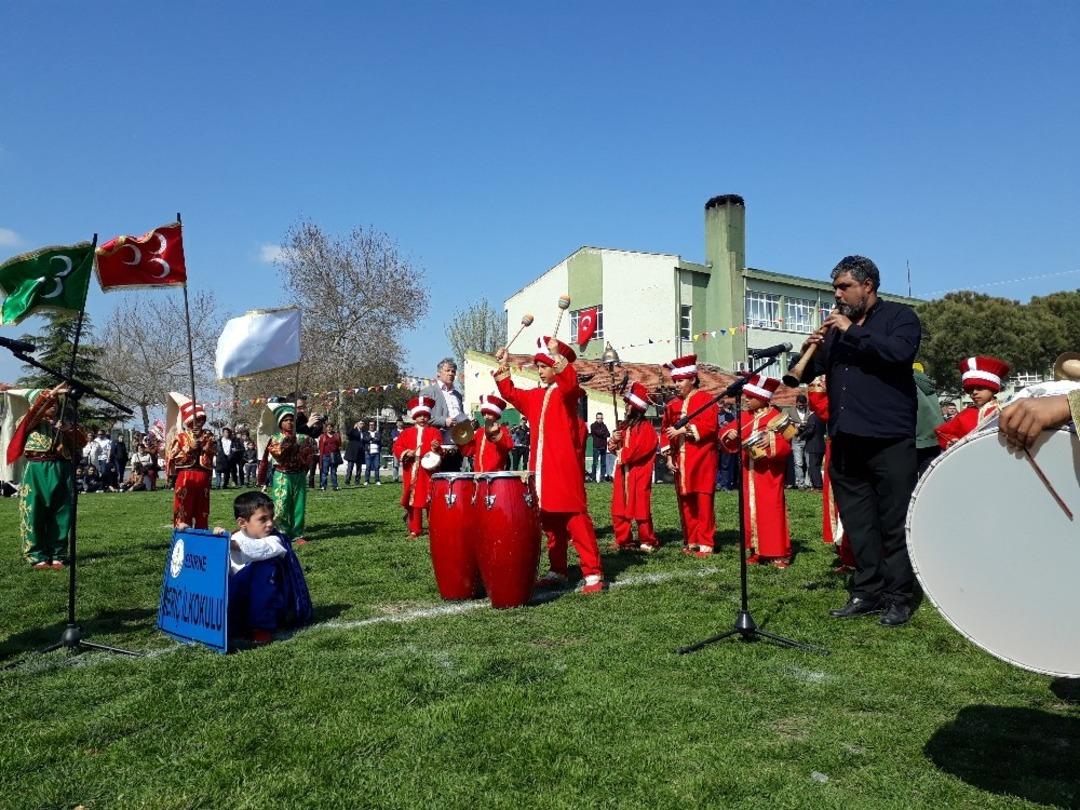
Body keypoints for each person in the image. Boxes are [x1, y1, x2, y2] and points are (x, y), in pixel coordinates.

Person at [795, 255, 921, 627]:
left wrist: (851, 330)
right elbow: (812, 371)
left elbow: (899, 353)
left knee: (895, 520)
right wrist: (808, 351)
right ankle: (867, 591)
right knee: (859, 522)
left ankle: (900, 595)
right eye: (835, 287)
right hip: (846, 437)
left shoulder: (900, 317)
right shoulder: (835, 330)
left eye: (844, 286)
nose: (838, 294)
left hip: (889, 437)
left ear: (868, 286)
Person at [495, 337, 605, 593]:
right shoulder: (536, 396)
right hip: (541, 470)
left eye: (544, 366)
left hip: (562, 468)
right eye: (539, 366)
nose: (540, 370)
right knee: (550, 522)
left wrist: (556, 355)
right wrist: (503, 365)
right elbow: (510, 392)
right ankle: (558, 569)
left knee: (575, 519)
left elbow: (569, 383)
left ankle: (593, 574)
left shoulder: (568, 395)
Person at [213, 490, 313, 646]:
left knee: (263, 568)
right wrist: (191, 534)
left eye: (271, 517)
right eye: (263, 519)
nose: (270, 523)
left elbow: (260, 549)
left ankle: (262, 628)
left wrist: (229, 544)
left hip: (270, 603)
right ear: (242, 523)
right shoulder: (234, 537)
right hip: (238, 598)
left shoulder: (275, 540)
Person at [5, 385, 87, 569]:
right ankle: (36, 555)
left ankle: (58, 553)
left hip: (61, 468)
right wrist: (50, 395)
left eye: (56, 403)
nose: (54, 406)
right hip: (36, 469)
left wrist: (66, 429)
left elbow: (82, 441)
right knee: (34, 511)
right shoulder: (27, 420)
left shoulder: (63, 422)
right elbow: (33, 415)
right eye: (51, 403)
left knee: (62, 511)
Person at [719, 374, 793, 567]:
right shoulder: (744, 417)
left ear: (762, 398)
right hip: (748, 473)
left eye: (750, 396)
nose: (745, 399)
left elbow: (790, 441)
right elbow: (724, 433)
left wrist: (772, 441)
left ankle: (778, 552)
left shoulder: (778, 417)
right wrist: (730, 434)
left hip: (769, 474)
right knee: (751, 510)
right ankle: (757, 549)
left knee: (772, 511)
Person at [660, 354, 719, 558]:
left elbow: (710, 426)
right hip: (680, 461)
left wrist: (684, 430)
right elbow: (665, 431)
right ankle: (691, 539)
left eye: (680, 381)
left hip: (702, 459)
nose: (677, 385)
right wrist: (668, 457)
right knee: (685, 502)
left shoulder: (706, 399)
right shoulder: (672, 405)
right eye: (675, 381)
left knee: (703, 501)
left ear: (692, 379)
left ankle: (706, 542)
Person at [806, 377, 856, 573]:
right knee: (840, 505)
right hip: (840, 445)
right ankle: (848, 554)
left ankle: (855, 556)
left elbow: (825, 408)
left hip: (852, 448)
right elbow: (824, 409)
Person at [609, 381, 659, 552]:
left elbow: (637, 451)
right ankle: (624, 539)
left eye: (628, 405)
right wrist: (614, 440)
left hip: (638, 474)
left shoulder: (647, 429)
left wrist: (621, 452)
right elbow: (613, 448)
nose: (625, 408)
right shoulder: (623, 426)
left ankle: (647, 539)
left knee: (640, 507)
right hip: (622, 473)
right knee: (619, 507)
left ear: (636, 407)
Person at [261, 403, 315, 542]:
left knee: (299, 505)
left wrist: (302, 454)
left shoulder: (303, 437)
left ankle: (297, 534)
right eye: (286, 420)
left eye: (291, 419)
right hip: (282, 476)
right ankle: (282, 532)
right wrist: (289, 444)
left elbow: (309, 455)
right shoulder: (275, 438)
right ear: (280, 422)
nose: (289, 422)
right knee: (281, 504)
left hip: (299, 476)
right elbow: (278, 454)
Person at [392, 396, 443, 538]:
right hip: (412, 469)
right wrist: (406, 452)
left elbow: (439, 449)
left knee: (429, 498)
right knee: (413, 500)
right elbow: (397, 447)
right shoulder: (407, 433)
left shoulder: (434, 431)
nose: (422, 418)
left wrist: (436, 448)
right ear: (415, 416)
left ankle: (433, 527)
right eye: (419, 415)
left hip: (428, 470)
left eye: (425, 415)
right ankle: (415, 529)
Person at [935, 355, 1010, 450]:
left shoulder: (1006, 410)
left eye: (980, 388)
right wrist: (952, 441)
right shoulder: (965, 414)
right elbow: (942, 432)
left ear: (993, 389)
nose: (974, 392)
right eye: (970, 389)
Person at [166, 400, 216, 529]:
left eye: (201, 419)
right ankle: (182, 537)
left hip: (203, 476)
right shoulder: (180, 437)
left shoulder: (209, 436)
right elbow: (174, 457)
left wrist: (204, 447)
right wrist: (189, 448)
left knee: (202, 511)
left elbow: (213, 452)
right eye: (196, 420)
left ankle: (201, 536)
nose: (199, 422)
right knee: (183, 508)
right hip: (185, 476)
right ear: (188, 421)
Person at [420, 358, 467, 473]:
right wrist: (444, 421)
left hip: (456, 447)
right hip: (437, 447)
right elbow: (422, 420)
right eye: (448, 370)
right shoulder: (428, 392)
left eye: (453, 371)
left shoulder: (458, 395)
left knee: (454, 484)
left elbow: (460, 415)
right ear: (438, 373)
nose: (451, 374)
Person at [461, 395, 513, 473]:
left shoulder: (502, 430)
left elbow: (508, 445)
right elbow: (469, 451)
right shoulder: (480, 431)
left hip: (494, 475)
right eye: (484, 414)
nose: (486, 417)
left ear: (496, 415)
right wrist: (462, 439)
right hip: (479, 474)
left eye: (489, 414)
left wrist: (497, 434)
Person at [913, 362, 945, 475]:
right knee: (928, 483)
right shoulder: (924, 382)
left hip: (913, 441)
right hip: (933, 439)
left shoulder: (901, 378)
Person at [786, 394, 812, 489]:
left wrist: (806, 424)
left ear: (806, 404)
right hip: (796, 439)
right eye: (799, 404)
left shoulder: (810, 411)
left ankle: (808, 483)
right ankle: (800, 483)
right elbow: (786, 423)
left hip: (809, 439)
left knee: (809, 463)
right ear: (796, 403)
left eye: (803, 405)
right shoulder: (790, 411)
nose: (801, 406)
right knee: (798, 463)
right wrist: (794, 424)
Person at [318, 423, 341, 491]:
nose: (329, 428)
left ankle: (335, 485)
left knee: (333, 472)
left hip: (334, 456)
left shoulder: (336, 435)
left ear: (332, 428)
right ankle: (323, 486)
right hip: (326, 456)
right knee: (325, 472)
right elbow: (320, 446)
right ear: (326, 428)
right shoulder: (323, 436)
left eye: (330, 427)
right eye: (328, 427)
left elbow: (339, 444)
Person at [589, 412, 611, 482]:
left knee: (603, 463)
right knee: (595, 463)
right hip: (596, 447)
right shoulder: (593, 425)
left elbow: (608, 434)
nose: (600, 419)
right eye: (598, 418)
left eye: (601, 418)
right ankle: (593, 479)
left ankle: (602, 478)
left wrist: (602, 433)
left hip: (603, 447)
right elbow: (597, 433)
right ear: (596, 418)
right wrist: (602, 433)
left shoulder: (604, 425)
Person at [344, 421, 365, 486]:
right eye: (360, 424)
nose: (362, 425)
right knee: (350, 467)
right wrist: (353, 428)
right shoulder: (353, 431)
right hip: (352, 452)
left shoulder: (363, 432)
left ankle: (357, 481)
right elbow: (348, 433)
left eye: (363, 424)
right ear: (357, 424)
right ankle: (347, 481)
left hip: (360, 452)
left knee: (359, 468)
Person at [362, 420, 383, 486]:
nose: (371, 426)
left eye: (373, 425)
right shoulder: (366, 433)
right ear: (369, 426)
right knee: (368, 467)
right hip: (368, 452)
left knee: (377, 467)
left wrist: (371, 439)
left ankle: (377, 480)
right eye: (370, 425)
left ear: (374, 426)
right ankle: (366, 481)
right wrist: (372, 439)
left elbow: (378, 439)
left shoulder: (377, 432)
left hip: (376, 452)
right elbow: (365, 440)